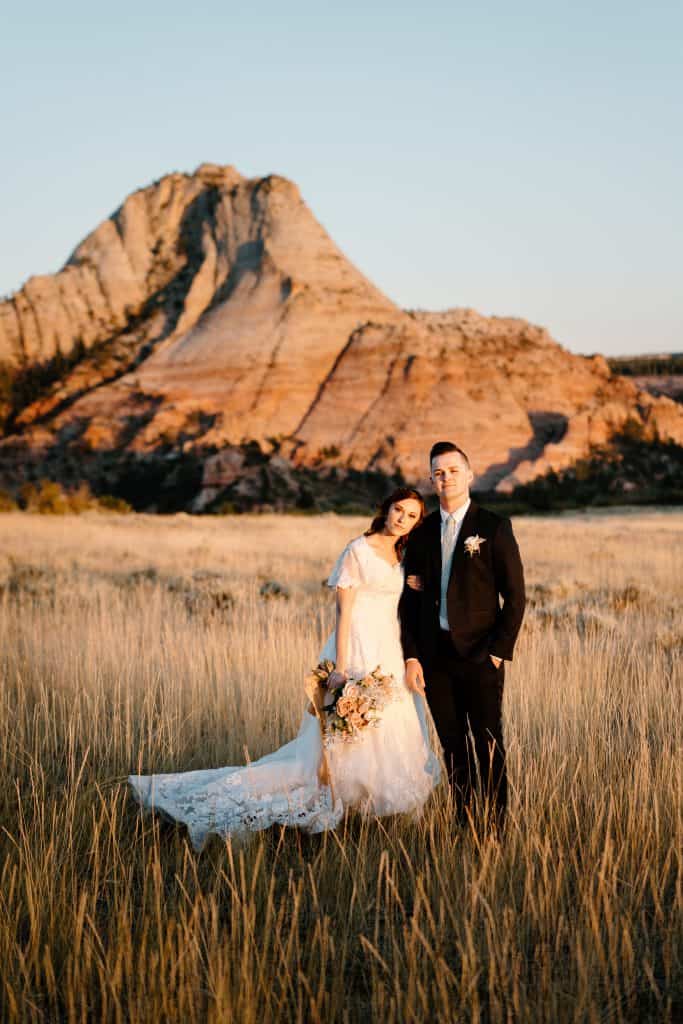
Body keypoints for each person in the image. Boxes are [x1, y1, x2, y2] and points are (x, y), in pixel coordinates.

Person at [128, 488, 439, 849]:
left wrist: (415, 584)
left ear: (417, 522)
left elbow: (407, 598)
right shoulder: (358, 550)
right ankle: (338, 799)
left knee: (389, 727)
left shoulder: (403, 555)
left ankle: (371, 807)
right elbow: (344, 612)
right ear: (386, 510)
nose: (401, 518)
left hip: (391, 648)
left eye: (411, 515)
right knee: (345, 732)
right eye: (398, 510)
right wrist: (340, 668)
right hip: (358, 645)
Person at [399, 442, 526, 832]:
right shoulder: (421, 534)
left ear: (469, 475)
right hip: (435, 659)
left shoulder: (493, 527)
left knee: (488, 745)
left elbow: (516, 595)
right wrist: (412, 656)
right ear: (432, 480)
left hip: (480, 656)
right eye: (438, 472)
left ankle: (496, 828)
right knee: (454, 748)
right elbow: (409, 600)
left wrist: (497, 652)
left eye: (453, 470)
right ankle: (464, 823)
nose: (445, 477)